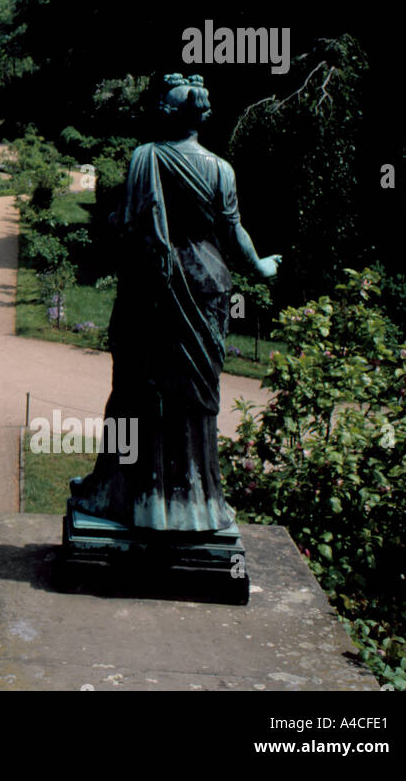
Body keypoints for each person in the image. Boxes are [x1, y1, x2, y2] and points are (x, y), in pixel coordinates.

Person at [69, 73, 280, 531]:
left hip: (153, 287)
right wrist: (260, 266)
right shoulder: (221, 169)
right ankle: (196, 502)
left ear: (167, 113)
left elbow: (128, 224)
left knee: (136, 389)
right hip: (206, 284)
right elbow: (231, 232)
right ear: (200, 117)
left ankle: (123, 494)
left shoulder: (145, 158)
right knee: (192, 399)